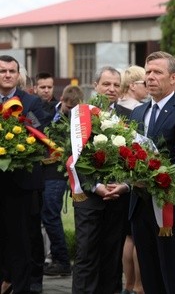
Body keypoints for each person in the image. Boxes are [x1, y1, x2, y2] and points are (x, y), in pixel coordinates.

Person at [128, 51, 175, 294]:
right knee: (149, 274)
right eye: (148, 72)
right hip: (140, 206)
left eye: (158, 72)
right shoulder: (137, 112)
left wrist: (155, 179)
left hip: (171, 207)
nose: (150, 78)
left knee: (173, 276)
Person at [72, 66, 131, 294]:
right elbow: (74, 157)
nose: (111, 89)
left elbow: (136, 155)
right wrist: (96, 187)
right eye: (106, 84)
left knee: (112, 257)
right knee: (86, 256)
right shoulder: (80, 115)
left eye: (116, 85)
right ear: (95, 85)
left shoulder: (129, 115)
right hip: (88, 197)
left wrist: (124, 185)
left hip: (117, 197)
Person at [0, 55, 52, 294]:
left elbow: (40, 136)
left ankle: (21, 288)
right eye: (3, 71)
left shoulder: (31, 102)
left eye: (12, 71)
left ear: (18, 74)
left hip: (21, 184)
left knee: (20, 241)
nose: (8, 75)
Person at [42, 85, 84, 278]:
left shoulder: (78, 119)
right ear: (62, 100)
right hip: (42, 169)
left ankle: (63, 260)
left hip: (58, 173)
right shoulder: (48, 109)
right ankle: (58, 259)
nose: (70, 111)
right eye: (68, 108)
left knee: (50, 214)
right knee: (45, 215)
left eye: (74, 108)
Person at [119, 65, 147, 294]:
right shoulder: (138, 111)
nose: (147, 87)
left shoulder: (115, 110)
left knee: (129, 236)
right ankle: (139, 285)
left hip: (122, 178)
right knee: (138, 237)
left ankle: (128, 284)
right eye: (143, 83)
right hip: (136, 178)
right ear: (132, 86)